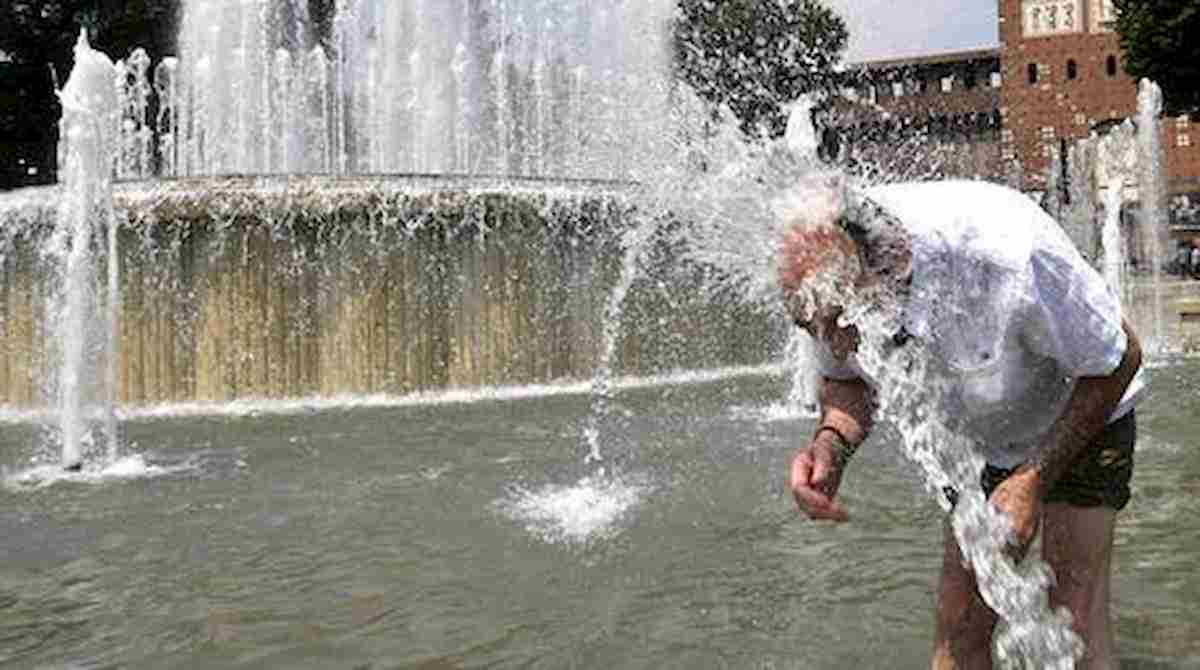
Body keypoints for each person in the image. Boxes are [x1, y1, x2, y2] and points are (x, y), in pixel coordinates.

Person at [777, 178, 1145, 669]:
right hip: (977, 434)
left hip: (1082, 406)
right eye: (813, 329)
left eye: (837, 326)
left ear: (889, 268)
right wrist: (832, 443)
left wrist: (1031, 481)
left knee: (1072, 620)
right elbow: (847, 384)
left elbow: (1117, 358)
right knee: (961, 624)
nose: (834, 344)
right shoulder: (829, 289)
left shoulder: (1010, 256)